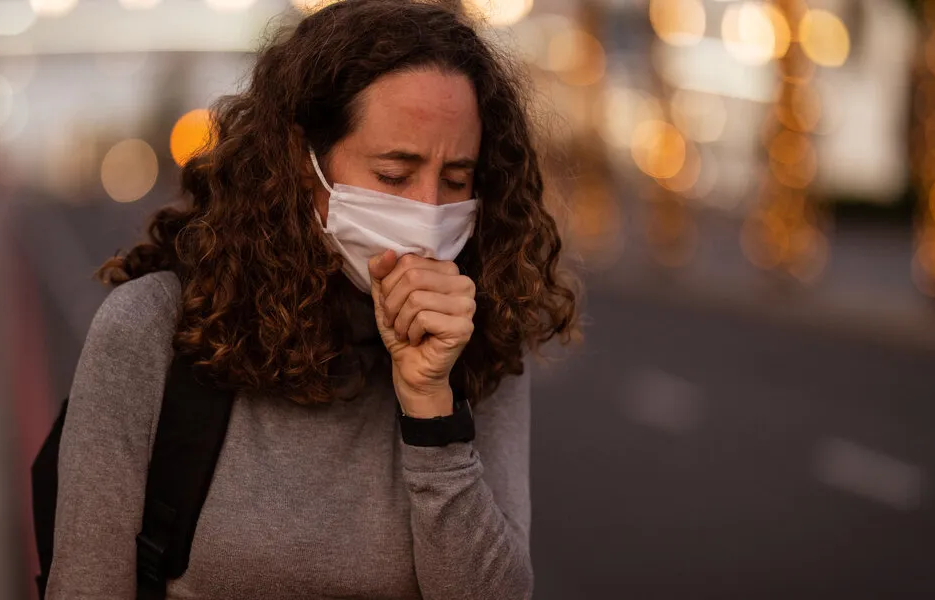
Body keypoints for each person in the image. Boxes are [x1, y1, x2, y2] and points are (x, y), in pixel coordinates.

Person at [46, 0, 578, 598]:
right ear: (304, 164)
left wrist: (433, 409)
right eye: (395, 176)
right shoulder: (153, 332)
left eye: (455, 180)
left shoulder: (476, 337)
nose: (429, 213)